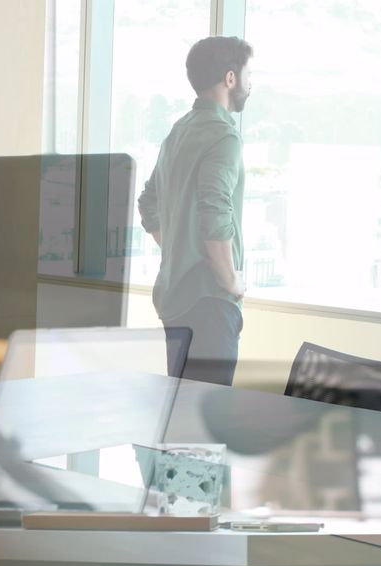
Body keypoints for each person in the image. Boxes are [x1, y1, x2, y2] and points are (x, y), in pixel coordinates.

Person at [138, 36, 254, 387]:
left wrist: (178, 246)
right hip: (210, 302)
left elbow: (148, 203)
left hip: (175, 300)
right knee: (205, 427)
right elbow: (215, 212)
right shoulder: (224, 137)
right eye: (249, 74)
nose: (252, 83)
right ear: (230, 78)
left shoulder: (180, 131)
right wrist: (230, 279)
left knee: (183, 424)